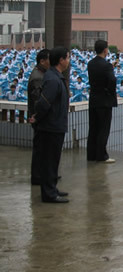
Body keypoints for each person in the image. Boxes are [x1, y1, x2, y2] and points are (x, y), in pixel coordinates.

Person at [31, 47, 71, 203]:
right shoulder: (53, 79)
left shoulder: (55, 77)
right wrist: (37, 117)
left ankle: (52, 188)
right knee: (48, 161)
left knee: (53, 160)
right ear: (61, 60)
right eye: (67, 58)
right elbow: (44, 103)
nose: (68, 61)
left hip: (55, 125)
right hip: (50, 126)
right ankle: (49, 194)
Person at [87, 40, 117, 164]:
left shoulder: (91, 63)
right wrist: (109, 92)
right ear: (105, 50)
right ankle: (101, 155)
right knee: (103, 129)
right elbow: (112, 80)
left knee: (93, 127)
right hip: (104, 101)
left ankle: (91, 154)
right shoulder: (107, 66)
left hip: (93, 98)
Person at [27, 48, 49, 186]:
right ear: (42, 61)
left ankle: (45, 174)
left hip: (40, 117)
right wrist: (38, 116)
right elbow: (37, 101)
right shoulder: (37, 77)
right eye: (49, 59)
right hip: (39, 118)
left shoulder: (42, 74)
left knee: (44, 148)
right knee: (40, 148)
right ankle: (37, 177)